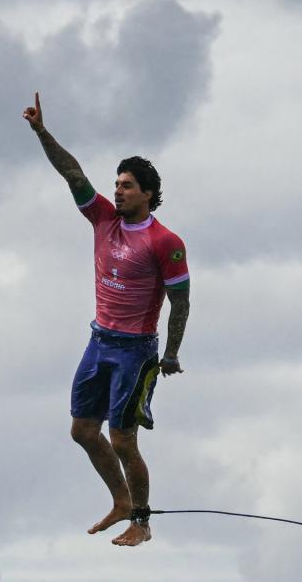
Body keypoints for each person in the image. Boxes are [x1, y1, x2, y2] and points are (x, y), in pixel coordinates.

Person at [23, 91, 190, 546]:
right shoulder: (102, 219)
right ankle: (119, 500)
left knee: (122, 439)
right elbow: (72, 172)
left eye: (127, 186)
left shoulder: (164, 241)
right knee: (82, 430)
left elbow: (181, 301)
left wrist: (171, 353)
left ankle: (141, 520)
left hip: (136, 351)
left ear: (149, 195)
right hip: (99, 342)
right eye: (116, 184)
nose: (117, 191)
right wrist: (41, 132)